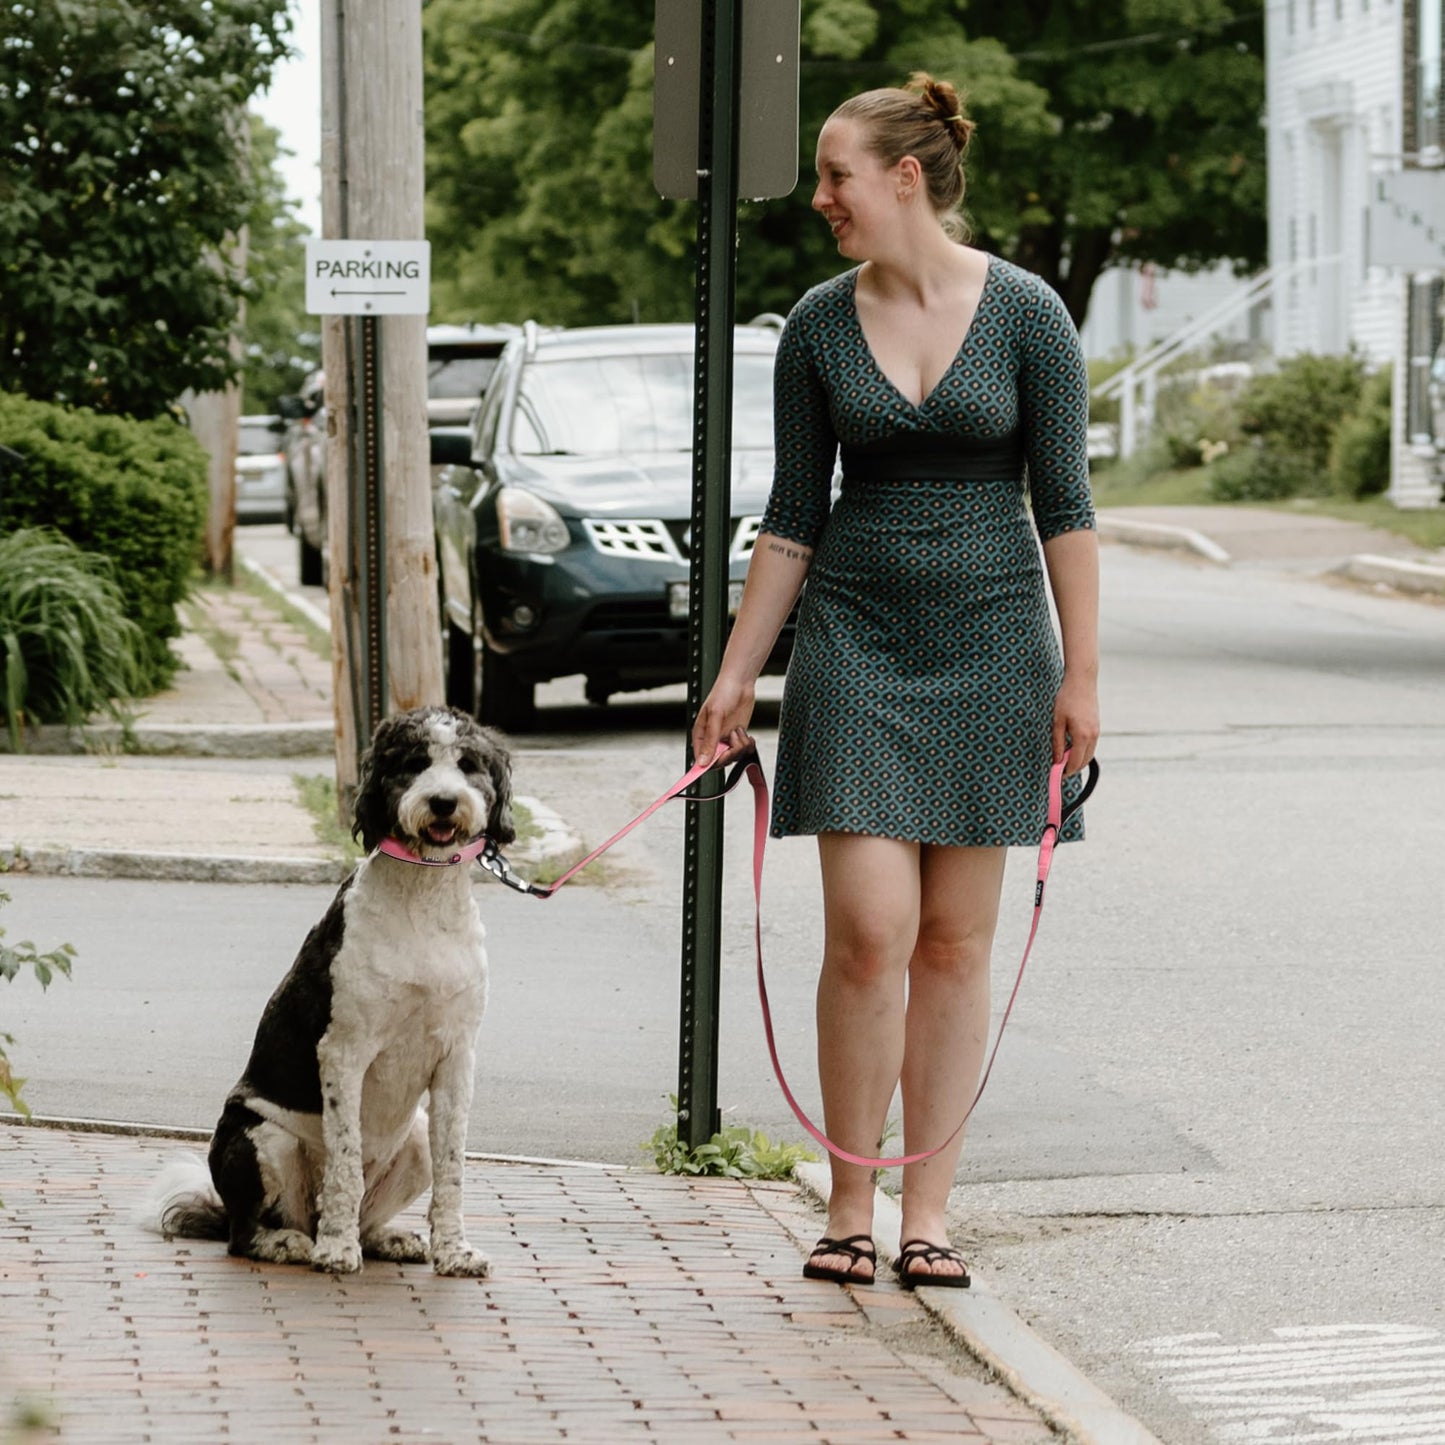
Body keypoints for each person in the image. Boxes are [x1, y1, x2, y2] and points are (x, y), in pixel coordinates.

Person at [690, 73, 1099, 1290]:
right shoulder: (818, 323)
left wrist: (1082, 675)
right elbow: (787, 519)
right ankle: (845, 1205)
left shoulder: (1028, 313)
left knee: (954, 943)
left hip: (990, 639)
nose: (819, 198)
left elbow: (1066, 509)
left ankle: (928, 1210)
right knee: (868, 931)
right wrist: (732, 678)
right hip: (857, 639)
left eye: (835, 176)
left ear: (904, 176)